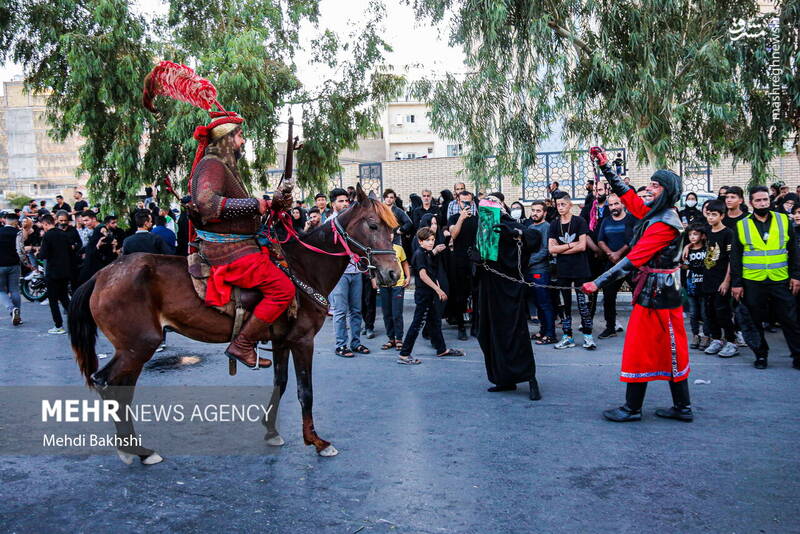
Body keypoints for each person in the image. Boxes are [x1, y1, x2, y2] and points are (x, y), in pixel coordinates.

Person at [585, 147, 693, 423]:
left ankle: (633, 408)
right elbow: (628, 195)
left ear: (667, 192)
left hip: (658, 295)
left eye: (655, 185)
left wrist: (597, 282)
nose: (649, 189)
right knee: (667, 348)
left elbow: (632, 260)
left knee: (644, 348)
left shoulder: (664, 224)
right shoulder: (654, 214)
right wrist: (606, 166)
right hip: (657, 292)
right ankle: (681, 407)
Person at [187, 106, 295, 369]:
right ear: (226, 138)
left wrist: (272, 203)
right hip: (229, 251)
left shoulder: (223, 165)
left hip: (241, 245)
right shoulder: (212, 164)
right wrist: (255, 204)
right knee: (283, 290)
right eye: (239, 136)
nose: (243, 141)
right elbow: (207, 203)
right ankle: (243, 344)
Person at [474, 196, 542, 400]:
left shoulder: (510, 224)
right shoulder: (483, 228)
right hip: (488, 290)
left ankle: (530, 378)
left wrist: (517, 234)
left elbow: (534, 238)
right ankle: (503, 379)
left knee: (515, 334)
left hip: (509, 291)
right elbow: (481, 256)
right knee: (489, 334)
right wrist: (475, 259)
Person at [730, 186, 800, 370]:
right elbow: (735, 257)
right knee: (754, 321)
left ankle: (798, 355)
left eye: (765, 200)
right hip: (752, 281)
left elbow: (793, 250)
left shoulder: (783, 220)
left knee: (790, 319)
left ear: (769, 200)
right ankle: (761, 355)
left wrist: (796, 276)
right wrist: (737, 283)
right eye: (758, 200)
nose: (762, 203)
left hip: (780, 279)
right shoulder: (742, 225)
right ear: (751, 203)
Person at [397, 227, 465, 364]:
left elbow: (431, 271)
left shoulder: (426, 253)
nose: (431, 242)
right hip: (424, 296)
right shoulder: (419, 254)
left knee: (435, 322)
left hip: (430, 295)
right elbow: (423, 275)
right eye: (428, 240)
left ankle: (441, 349)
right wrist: (438, 290)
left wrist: (436, 285)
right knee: (417, 324)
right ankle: (404, 354)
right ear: (420, 241)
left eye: (433, 240)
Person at [548, 192, 595, 350]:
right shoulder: (554, 224)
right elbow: (551, 249)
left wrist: (560, 249)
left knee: (583, 304)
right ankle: (567, 336)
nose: (560, 207)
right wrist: (570, 245)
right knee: (564, 304)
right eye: (558, 204)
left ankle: (588, 336)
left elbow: (582, 246)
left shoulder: (579, 221)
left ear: (570, 205)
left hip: (580, 269)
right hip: (562, 270)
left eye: (563, 204)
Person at [329, 188, 369, 358]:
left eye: (346, 201)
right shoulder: (330, 223)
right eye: (341, 201)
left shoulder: (354, 222)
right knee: (340, 311)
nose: (345, 204)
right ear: (333, 204)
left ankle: (356, 342)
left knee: (356, 310)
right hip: (339, 274)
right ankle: (341, 345)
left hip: (355, 271)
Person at [699, 201, 739, 357]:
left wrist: (726, 281)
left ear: (722, 216)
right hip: (707, 278)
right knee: (709, 312)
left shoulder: (728, 233)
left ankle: (731, 341)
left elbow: (731, 259)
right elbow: (692, 237)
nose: (710, 217)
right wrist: (688, 247)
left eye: (714, 214)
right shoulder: (707, 231)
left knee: (723, 312)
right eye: (708, 214)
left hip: (721, 280)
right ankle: (716, 339)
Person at [595, 192, 636, 339]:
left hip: (631, 264)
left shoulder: (631, 219)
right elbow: (600, 240)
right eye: (610, 205)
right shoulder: (606, 221)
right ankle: (610, 328)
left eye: (616, 203)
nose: (613, 207)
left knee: (638, 297)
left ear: (623, 203)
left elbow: (633, 240)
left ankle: (639, 328)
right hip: (611, 264)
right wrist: (610, 254)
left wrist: (619, 253)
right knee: (608, 296)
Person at [524, 201, 557, 345]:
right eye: (533, 210)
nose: (535, 213)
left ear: (544, 213)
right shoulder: (530, 227)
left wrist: (527, 261)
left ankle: (550, 334)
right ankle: (543, 331)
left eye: (538, 211)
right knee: (537, 303)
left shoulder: (546, 227)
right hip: (530, 271)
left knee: (545, 303)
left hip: (541, 271)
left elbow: (545, 250)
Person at [448, 190, 479, 340]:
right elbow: (453, 235)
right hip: (459, 260)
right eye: (463, 202)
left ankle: (475, 326)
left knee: (476, 293)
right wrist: (461, 218)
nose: (466, 204)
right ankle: (461, 326)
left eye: (468, 202)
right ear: (458, 202)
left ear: (472, 202)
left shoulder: (477, 219)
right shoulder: (453, 218)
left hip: (474, 260)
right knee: (460, 294)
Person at [37, 213, 76, 334]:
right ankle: (76, 321)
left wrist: (38, 252)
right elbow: (71, 252)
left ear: (45, 224)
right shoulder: (64, 234)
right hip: (65, 271)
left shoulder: (48, 235)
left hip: (53, 272)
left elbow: (43, 255)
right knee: (64, 297)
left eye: (43, 225)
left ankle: (58, 325)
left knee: (53, 300)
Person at [379, 237, 411, 351]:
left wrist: (408, 277)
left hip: (398, 285)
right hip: (384, 284)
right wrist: (373, 279)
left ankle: (399, 339)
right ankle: (391, 339)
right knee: (387, 314)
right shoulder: (378, 249)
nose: (389, 236)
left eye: (391, 233)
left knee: (397, 313)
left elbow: (404, 262)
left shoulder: (399, 248)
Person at [682, 224, 710, 350]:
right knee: (693, 313)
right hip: (691, 285)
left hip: (705, 285)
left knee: (705, 313)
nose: (692, 237)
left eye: (695, 234)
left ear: (702, 236)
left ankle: (706, 336)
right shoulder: (687, 250)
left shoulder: (707, 248)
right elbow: (684, 265)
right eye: (690, 235)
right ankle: (695, 335)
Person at [0, 212, 30, 325]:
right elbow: (20, 250)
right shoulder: (18, 233)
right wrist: (26, 263)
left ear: (5, 220)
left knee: (1, 290)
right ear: (16, 222)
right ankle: (18, 316)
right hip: (14, 265)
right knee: (14, 290)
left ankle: (11, 309)